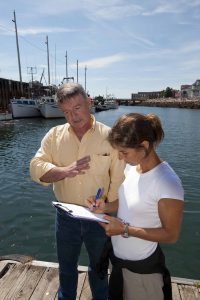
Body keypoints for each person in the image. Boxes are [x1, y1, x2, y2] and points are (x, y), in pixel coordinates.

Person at [29, 82, 125, 300]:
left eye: (77, 108)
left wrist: (108, 209)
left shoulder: (110, 137)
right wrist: (64, 170)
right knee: (66, 268)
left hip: (99, 217)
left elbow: (118, 180)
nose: (73, 116)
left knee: (99, 269)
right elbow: (35, 168)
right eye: (66, 112)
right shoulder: (53, 136)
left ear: (89, 103)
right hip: (66, 217)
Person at [86, 113, 184, 300]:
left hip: (142, 272)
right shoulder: (132, 168)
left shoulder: (167, 183)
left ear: (144, 146)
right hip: (118, 263)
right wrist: (104, 207)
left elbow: (171, 235)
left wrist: (124, 229)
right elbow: (128, 202)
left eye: (125, 152)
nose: (121, 158)